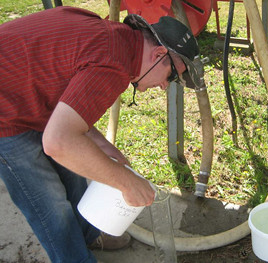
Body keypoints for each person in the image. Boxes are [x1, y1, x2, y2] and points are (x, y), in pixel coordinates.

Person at [0, 6, 202, 263]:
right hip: (5, 112)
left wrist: (103, 146)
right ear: (159, 53)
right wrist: (127, 183)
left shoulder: (118, 40)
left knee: (74, 175)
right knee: (50, 204)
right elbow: (58, 142)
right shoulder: (114, 64)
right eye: (172, 75)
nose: (164, 86)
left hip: (27, 94)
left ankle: (87, 234)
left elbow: (67, 105)